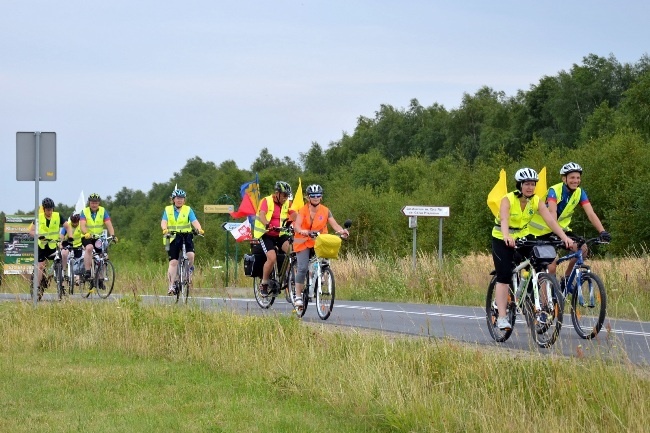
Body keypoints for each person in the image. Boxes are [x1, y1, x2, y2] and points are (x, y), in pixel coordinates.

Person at [492, 168, 573, 331]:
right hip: (502, 238)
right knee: (505, 274)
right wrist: (507, 236)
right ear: (519, 185)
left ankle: (538, 305)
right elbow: (504, 219)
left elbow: (551, 221)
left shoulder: (536, 200)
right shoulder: (507, 199)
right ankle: (501, 316)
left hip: (523, 237)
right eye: (527, 184)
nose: (530, 187)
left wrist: (565, 237)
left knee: (540, 263)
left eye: (533, 184)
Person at [528, 162, 610, 282]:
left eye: (578, 178)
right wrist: (559, 235)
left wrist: (602, 231)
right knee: (551, 266)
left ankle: (566, 278)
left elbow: (591, 214)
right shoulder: (554, 191)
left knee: (583, 249)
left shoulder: (579, 192)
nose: (575, 180)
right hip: (541, 231)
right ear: (564, 179)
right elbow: (552, 213)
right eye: (572, 177)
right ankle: (548, 298)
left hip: (561, 230)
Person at [292, 184, 349, 308]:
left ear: (321, 197)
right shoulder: (303, 210)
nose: (316, 197)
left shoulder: (325, 210)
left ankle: (321, 274)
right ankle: (297, 296)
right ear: (308, 197)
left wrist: (342, 231)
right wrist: (302, 231)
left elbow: (335, 225)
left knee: (325, 259)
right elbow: (297, 225)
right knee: (302, 268)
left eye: (318, 195)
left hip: (319, 241)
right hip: (303, 241)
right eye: (313, 195)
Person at [252, 180, 296, 296]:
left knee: (292, 251)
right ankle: (264, 283)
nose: (286, 198)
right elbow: (262, 214)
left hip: (280, 233)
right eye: (284, 195)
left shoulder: (287, 202)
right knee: (271, 258)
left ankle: (289, 277)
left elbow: (294, 214)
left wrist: (301, 222)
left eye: (287, 195)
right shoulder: (267, 201)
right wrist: (267, 224)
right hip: (265, 234)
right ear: (277, 193)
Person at [161, 189, 204, 295]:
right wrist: (165, 229)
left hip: (186, 236)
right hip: (172, 237)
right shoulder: (168, 209)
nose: (180, 200)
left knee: (190, 255)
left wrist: (199, 229)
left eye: (182, 198)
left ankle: (188, 271)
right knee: (173, 262)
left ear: (184, 200)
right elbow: (164, 221)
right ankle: (171, 286)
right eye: (177, 198)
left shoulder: (188, 209)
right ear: (173, 199)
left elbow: (194, 221)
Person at [28, 197, 73, 287]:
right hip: (42, 246)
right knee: (40, 266)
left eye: (51, 209)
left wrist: (70, 236)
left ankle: (60, 280)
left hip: (53, 245)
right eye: (48, 210)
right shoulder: (39, 217)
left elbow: (67, 227)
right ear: (44, 209)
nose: (50, 212)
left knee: (59, 261)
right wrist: (38, 236)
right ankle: (36, 287)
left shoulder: (57, 216)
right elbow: (31, 231)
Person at [80, 193, 117, 282]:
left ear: (99, 203)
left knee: (103, 256)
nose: (94, 205)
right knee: (89, 248)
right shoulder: (84, 212)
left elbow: (109, 224)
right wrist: (86, 233)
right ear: (89, 203)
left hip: (98, 237)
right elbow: (82, 225)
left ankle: (101, 278)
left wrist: (113, 235)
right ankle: (87, 270)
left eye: (96, 203)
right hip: (87, 236)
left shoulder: (103, 211)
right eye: (92, 203)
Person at [61, 212, 84, 282]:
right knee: (64, 254)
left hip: (78, 244)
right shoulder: (68, 225)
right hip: (68, 243)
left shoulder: (81, 225)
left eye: (76, 222)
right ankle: (63, 271)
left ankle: (77, 277)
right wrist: (61, 243)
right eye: (73, 222)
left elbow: (84, 235)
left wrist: (84, 244)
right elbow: (62, 234)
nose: (74, 224)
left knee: (79, 260)